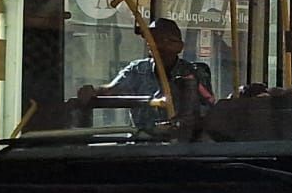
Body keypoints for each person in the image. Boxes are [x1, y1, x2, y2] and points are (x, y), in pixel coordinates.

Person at [77, 18, 214, 127]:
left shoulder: (194, 73)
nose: (157, 45)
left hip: (179, 148)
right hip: (142, 145)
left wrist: (184, 122)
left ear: (179, 46)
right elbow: (112, 89)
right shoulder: (137, 70)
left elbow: (208, 108)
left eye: (166, 40)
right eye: (152, 40)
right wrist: (94, 91)